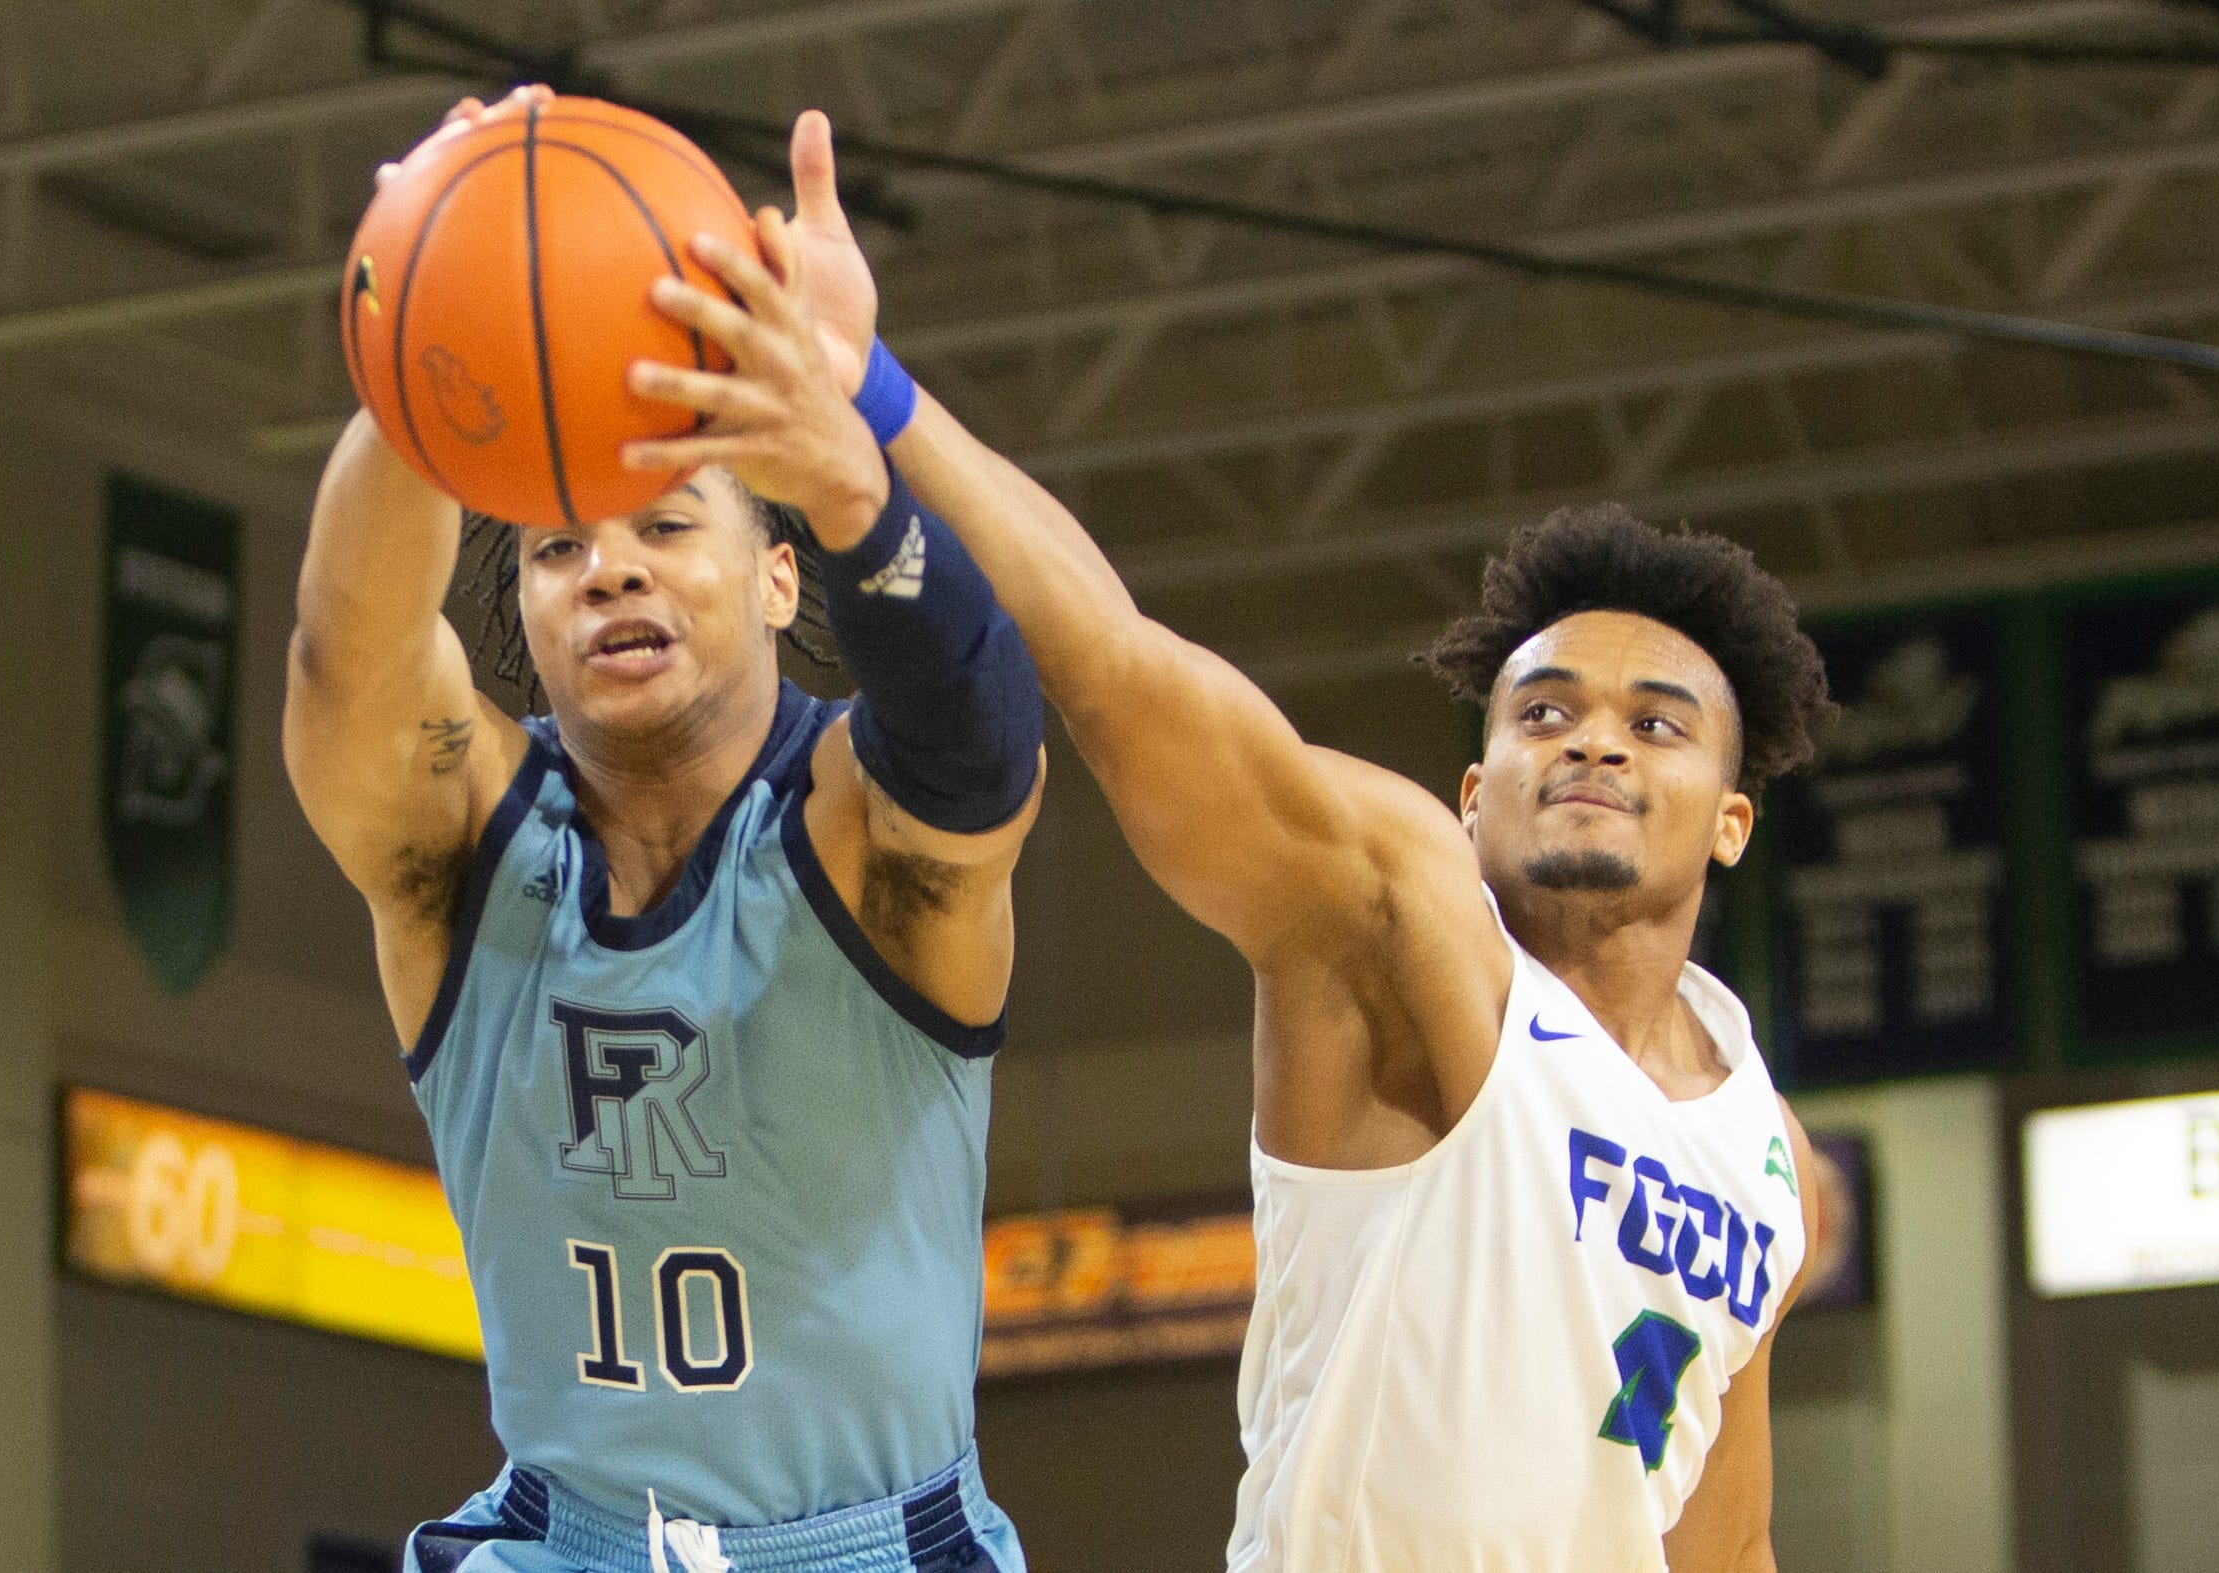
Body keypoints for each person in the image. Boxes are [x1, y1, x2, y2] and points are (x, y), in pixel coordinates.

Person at [628, 111, 1829, 1573]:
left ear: (1733, 816)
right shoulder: (1403, 914)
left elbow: (1729, 1535)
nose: (1592, 741)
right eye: (1548, 711)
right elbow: (1123, 664)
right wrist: (870, 396)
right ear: (1469, 791)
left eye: (1656, 726)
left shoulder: (1757, 1136)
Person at [284, 89, 1043, 1573]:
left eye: (668, 526)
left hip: (873, 1546)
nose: (608, 571)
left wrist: (843, 463)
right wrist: (423, 354)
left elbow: (979, 741)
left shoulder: (849, 831)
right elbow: (345, 661)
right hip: (563, 1542)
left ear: (777, 576)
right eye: (559, 548)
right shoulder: (470, 851)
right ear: (517, 606)